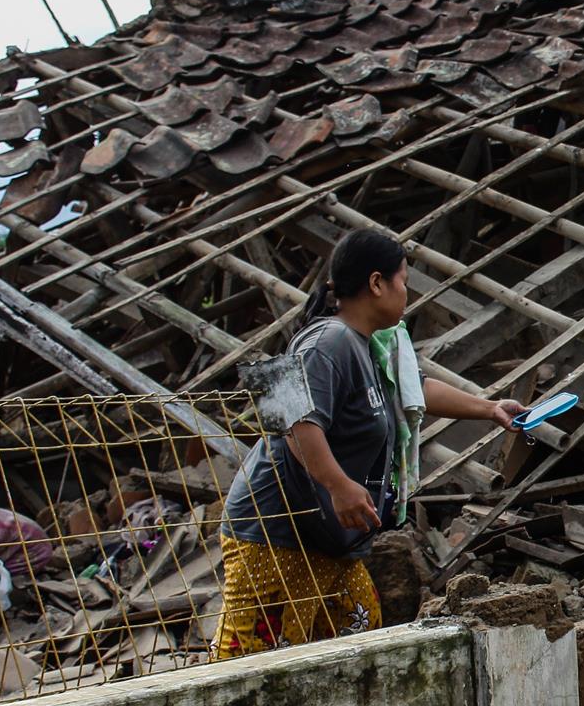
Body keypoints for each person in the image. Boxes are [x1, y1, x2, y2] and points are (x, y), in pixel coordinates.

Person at [213, 229, 525, 658]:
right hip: (276, 529)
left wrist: (489, 408)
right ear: (377, 283)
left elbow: (413, 391)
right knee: (249, 665)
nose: (407, 294)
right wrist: (338, 484)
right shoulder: (327, 342)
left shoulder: (369, 347)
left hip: (328, 538)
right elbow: (287, 415)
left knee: (358, 634)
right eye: (403, 282)